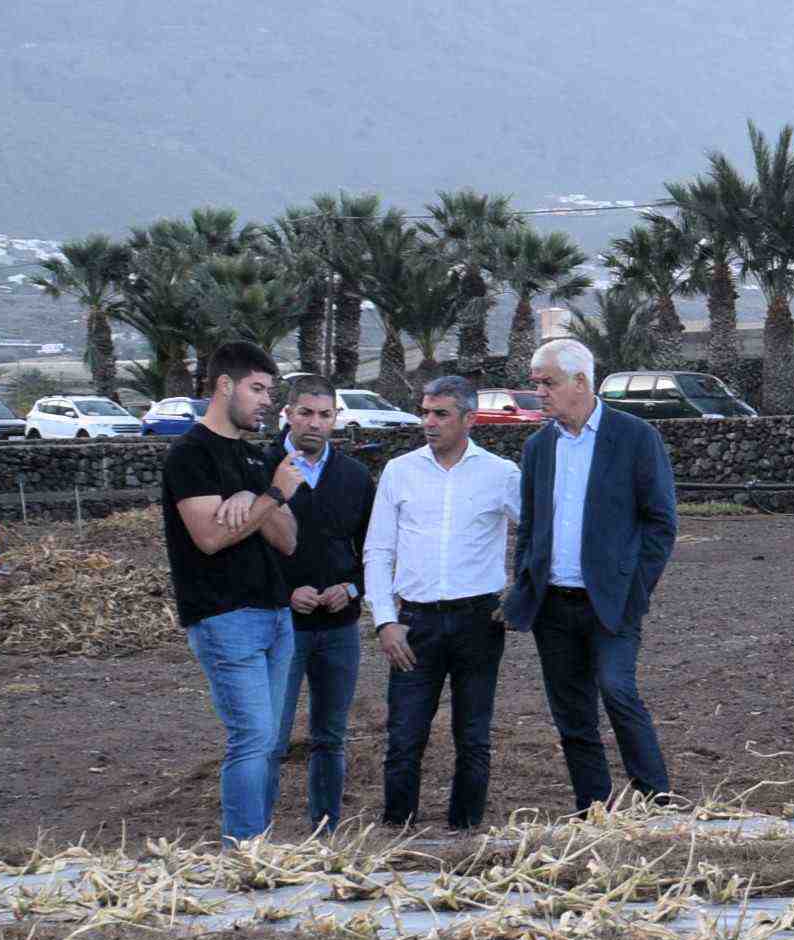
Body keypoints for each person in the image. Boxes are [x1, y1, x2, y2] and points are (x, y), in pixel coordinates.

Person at [498, 334, 676, 807]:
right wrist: (525, 585)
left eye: (547, 382)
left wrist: (635, 589)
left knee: (618, 689)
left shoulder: (636, 438)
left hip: (612, 602)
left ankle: (655, 799)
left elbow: (661, 524)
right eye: (536, 383)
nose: (539, 392)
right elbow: (531, 527)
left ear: (581, 381)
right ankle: (593, 809)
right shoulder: (538, 448)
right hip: (553, 605)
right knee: (572, 715)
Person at [364, 371, 523, 833]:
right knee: (404, 736)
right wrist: (385, 622)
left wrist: (521, 593)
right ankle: (396, 830)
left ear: (469, 419)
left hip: (479, 621)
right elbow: (378, 550)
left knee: (473, 736)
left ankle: (465, 830)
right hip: (414, 626)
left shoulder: (501, 474)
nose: (428, 422)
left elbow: (538, 534)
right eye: (424, 412)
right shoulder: (400, 471)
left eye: (441, 414)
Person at [157, 339, 299, 840]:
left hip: (277, 615)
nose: (267, 401)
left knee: (271, 741)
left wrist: (256, 497)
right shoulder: (189, 456)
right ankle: (243, 849)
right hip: (225, 616)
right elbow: (211, 537)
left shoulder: (256, 456)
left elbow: (287, 540)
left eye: (270, 390)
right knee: (252, 737)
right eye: (257, 388)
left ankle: (257, 843)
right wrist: (275, 494)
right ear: (224, 386)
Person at [265, 374, 377, 832]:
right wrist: (284, 592)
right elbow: (242, 548)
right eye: (305, 413)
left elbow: (375, 548)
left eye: (324, 414)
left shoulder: (354, 476)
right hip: (279, 625)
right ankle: (257, 832)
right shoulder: (261, 468)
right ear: (287, 414)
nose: (315, 423)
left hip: (339, 627)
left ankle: (325, 831)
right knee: (270, 738)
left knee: (330, 737)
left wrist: (350, 588)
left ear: (336, 418)